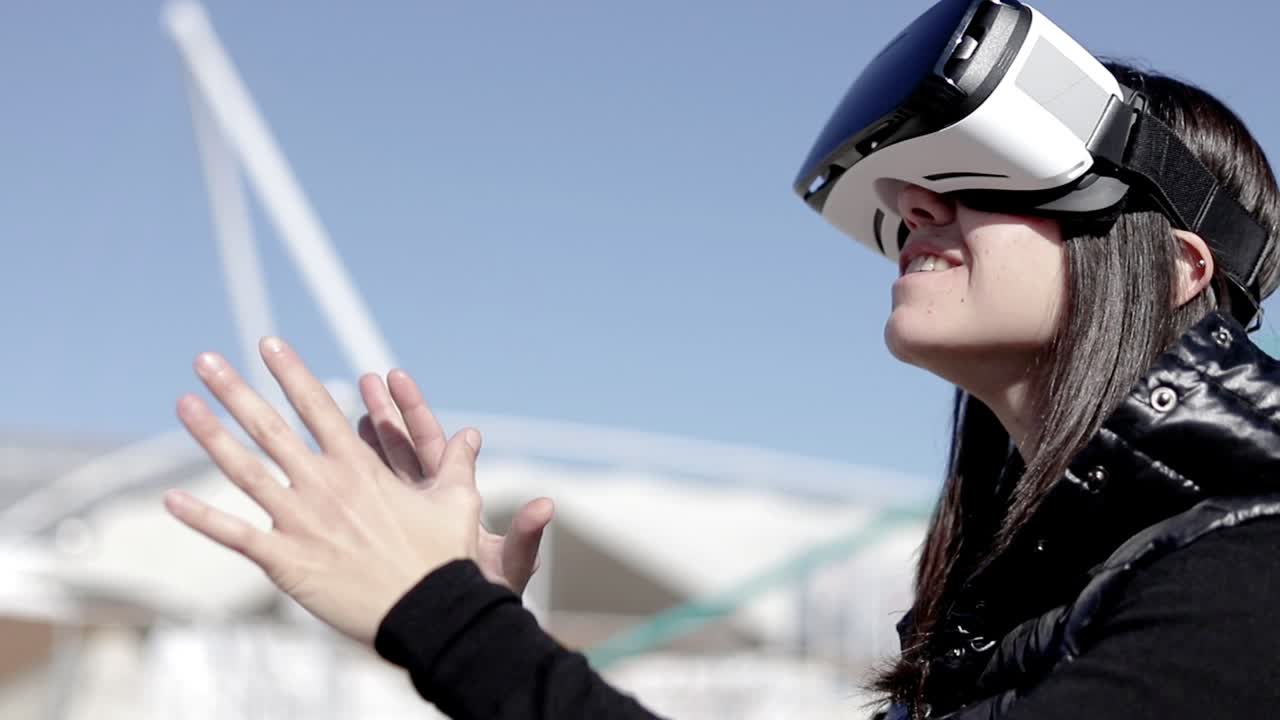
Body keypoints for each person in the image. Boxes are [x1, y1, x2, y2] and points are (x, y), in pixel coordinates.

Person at [162, 1, 1280, 718]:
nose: (912, 203)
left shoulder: (1251, 577)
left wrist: (451, 623)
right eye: (901, 192)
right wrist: (474, 634)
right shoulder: (1017, 613)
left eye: (989, 169)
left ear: (1177, 265)